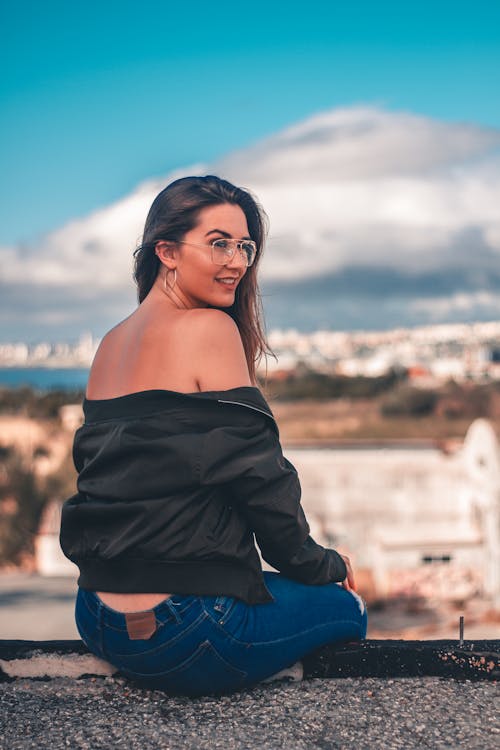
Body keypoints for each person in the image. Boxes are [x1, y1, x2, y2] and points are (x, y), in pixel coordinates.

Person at [59, 175, 367, 697]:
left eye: (245, 246)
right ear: (167, 251)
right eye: (218, 242)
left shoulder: (111, 343)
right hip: (188, 631)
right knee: (346, 609)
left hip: (97, 616)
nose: (238, 261)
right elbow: (261, 482)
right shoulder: (208, 329)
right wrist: (326, 566)